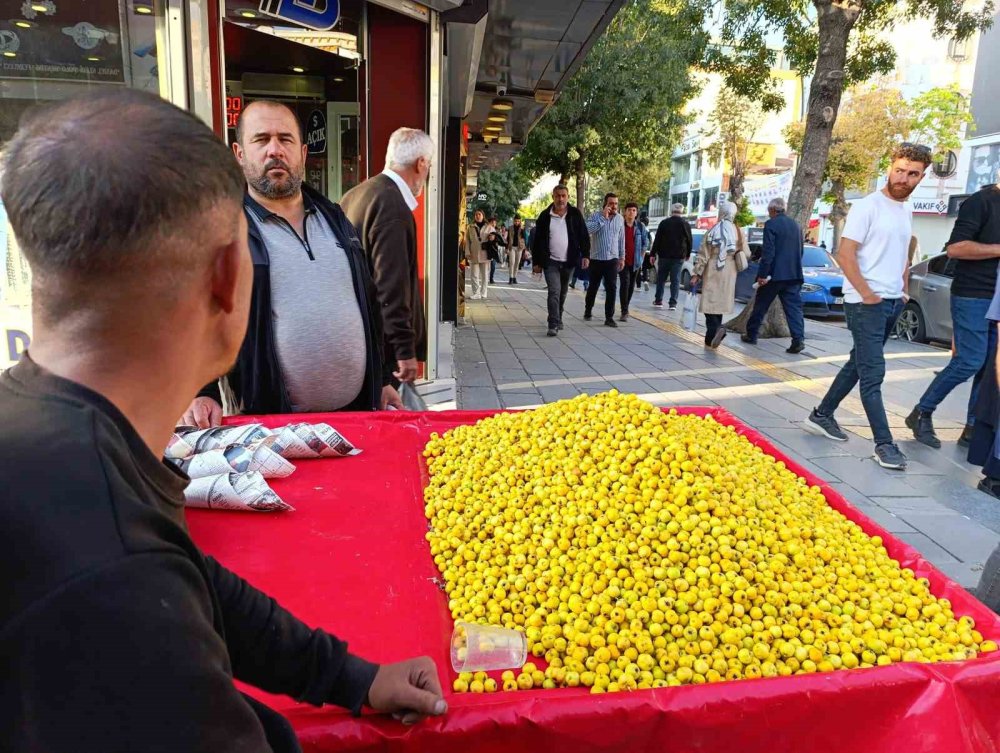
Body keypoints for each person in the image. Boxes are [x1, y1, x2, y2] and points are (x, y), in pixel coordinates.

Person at [0, 90, 446, 753]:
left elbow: (196, 582)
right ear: (227, 276)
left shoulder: (48, 427)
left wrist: (353, 676)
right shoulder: (111, 572)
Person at [181, 100, 401, 428]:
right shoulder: (222, 230)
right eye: (261, 140)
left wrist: (384, 379)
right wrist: (202, 390)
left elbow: (368, 302)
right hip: (274, 426)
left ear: (302, 152)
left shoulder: (334, 217)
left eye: (285, 139)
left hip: (358, 417)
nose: (275, 150)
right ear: (239, 154)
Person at [805, 143, 932, 471]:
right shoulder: (867, 207)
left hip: (890, 302)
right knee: (873, 373)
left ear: (922, 175)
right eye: (900, 169)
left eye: (912, 173)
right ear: (890, 166)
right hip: (866, 303)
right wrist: (867, 294)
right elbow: (845, 255)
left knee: (857, 365)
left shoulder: (906, 208)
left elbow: (904, 251)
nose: (903, 178)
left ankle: (821, 415)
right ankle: (884, 444)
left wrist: (902, 290)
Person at [906, 179, 1000, 449]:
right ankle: (922, 412)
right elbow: (955, 249)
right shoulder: (980, 201)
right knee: (970, 360)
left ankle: (974, 427)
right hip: (973, 294)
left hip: (997, 297)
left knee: (992, 366)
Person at [341, 127, 432, 385]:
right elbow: (391, 286)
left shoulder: (356, 194)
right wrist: (404, 350)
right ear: (421, 163)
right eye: (429, 166)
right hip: (383, 351)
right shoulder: (392, 206)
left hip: (358, 339)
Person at [741, 197, 806, 354]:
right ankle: (798, 339)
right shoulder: (796, 225)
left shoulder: (771, 224)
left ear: (772, 210)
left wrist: (762, 274)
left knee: (761, 305)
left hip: (774, 275)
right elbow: (801, 250)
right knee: (794, 309)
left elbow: (768, 252)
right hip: (793, 274)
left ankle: (752, 334)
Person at [532, 184, 591, 337]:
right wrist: (536, 263)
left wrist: (585, 255)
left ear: (568, 197)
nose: (561, 199)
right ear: (553, 197)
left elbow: (584, 235)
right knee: (554, 291)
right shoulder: (545, 216)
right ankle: (553, 323)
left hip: (569, 261)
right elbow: (537, 241)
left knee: (563, 292)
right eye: (558, 196)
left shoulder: (575, 214)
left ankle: (558, 316)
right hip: (550, 260)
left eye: (563, 195)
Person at [691, 201, 746, 349]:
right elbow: (746, 253)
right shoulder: (738, 231)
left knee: (710, 305)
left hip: (713, 269)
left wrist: (696, 274)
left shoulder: (713, 231)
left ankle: (713, 334)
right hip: (730, 271)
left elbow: (703, 255)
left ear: (721, 213)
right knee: (720, 305)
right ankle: (715, 333)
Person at [584, 193, 626, 327]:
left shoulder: (620, 219)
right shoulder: (596, 216)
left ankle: (609, 317)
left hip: (612, 259)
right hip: (596, 259)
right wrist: (603, 218)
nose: (614, 206)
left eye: (615, 204)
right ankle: (588, 310)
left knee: (612, 288)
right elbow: (587, 230)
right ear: (605, 204)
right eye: (611, 203)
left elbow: (621, 239)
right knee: (593, 287)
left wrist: (622, 257)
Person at [652, 203, 693, 310]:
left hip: (664, 256)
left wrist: (652, 254)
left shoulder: (664, 223)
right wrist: (688, 253)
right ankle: (673, 303)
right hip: (678, 257)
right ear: (682, 211)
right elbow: (689, 240)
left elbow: (657, 240)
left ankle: (658, 301)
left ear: (671, 211)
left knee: (661, 279)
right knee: (675, 280)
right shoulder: (685, 224)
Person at [619, 202, 650, 322]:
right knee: (625, 283)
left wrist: (641, 256)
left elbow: (645, 242)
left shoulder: (640, 226)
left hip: (636, 261)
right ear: (625, 211)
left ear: (636, 213)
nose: (631, 212)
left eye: (634, 210)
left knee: (631, 285)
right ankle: (624, 310)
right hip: (622, 260)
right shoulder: (620, 225)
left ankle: (625, 307)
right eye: (629, 210)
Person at [465, 208, 489, 300]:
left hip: (485, 254)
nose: (477, 216)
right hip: (474, 253)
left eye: (479, 214)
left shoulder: (488, 227)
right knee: (474, 275)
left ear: (483, 216)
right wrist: (467, 252)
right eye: (476, 214)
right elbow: (467, 241)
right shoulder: (470, 227)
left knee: (484, 275)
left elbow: (495, 239)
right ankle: (476, 293)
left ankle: (484, 292)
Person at [508, 216, 528, 284]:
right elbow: (508, 237)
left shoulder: (522, 228)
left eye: (518, 221)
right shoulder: (510, 228)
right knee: (512, 262)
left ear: (520, 221)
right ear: (513, 221)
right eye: (515, 221)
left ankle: (514, 277)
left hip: (519, 247)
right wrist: (506, 248)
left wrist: (522, 230)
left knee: (517, 263)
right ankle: (510, 277)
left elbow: (524, 238)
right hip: (512, 247)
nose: (517, 222)